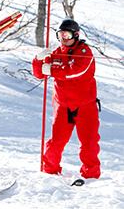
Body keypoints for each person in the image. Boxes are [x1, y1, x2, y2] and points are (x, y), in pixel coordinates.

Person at [32, 18, 101, 179]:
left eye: (67, 34)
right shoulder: (56, 53)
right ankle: (50, 172)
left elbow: (75, 71)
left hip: (85, 107)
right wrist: (38, 59)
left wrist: (52, 70)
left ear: (75, 35)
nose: (64, 37)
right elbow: (39, 73)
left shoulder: (84, 52)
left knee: (89, 145)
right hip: (63, 107)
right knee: (55, 142)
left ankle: (91, 176)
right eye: (61, 34)